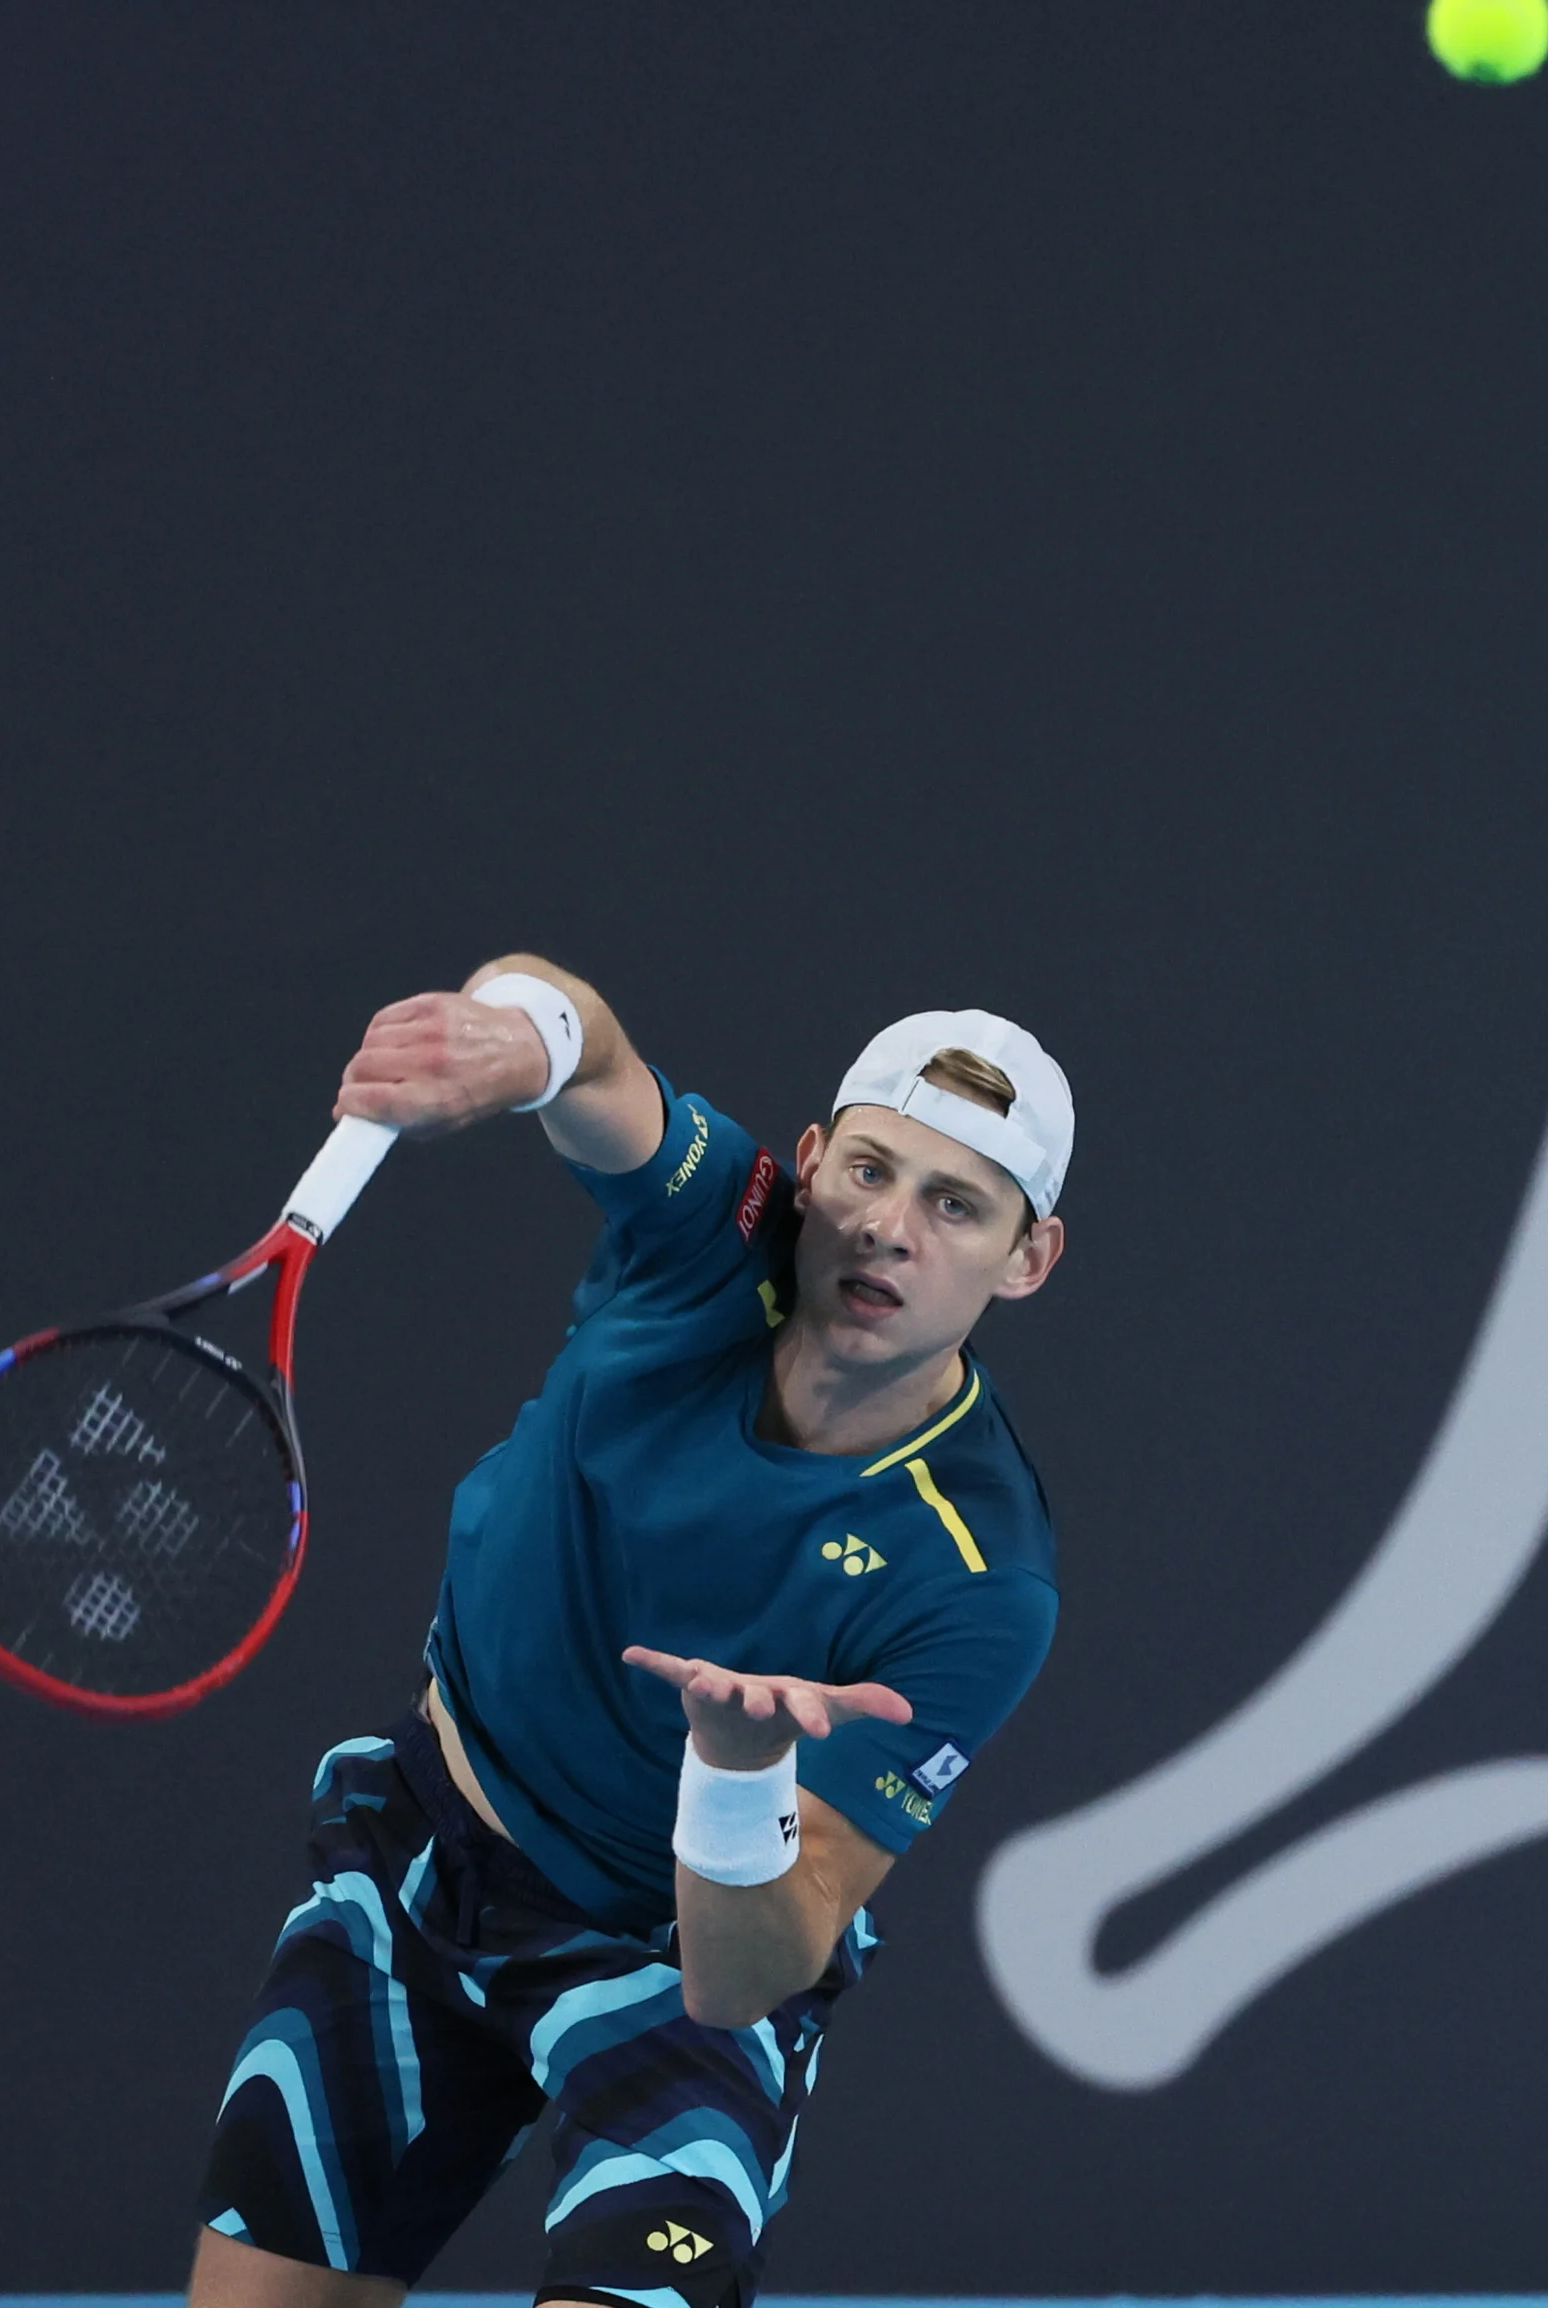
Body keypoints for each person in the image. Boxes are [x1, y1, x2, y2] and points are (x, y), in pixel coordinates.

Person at [189, 959, 1070, 2308]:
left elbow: (748, 1978)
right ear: (815, 1161)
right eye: (874, 1173)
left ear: (1027, 1258)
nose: (891, 1229)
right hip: (425, 1860)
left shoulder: (978, 1577)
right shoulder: (720, 1227)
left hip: (668, 1960)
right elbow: (593, 1056)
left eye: (957, 1206)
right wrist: (511, 1038)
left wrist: (729, 1775)